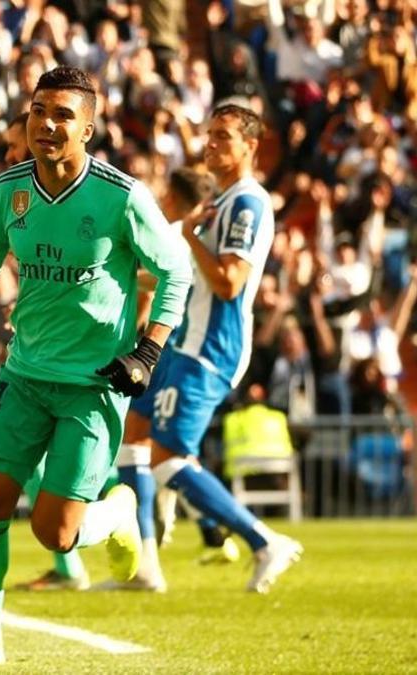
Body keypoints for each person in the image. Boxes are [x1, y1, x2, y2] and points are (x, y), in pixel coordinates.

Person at [0, 66, 192, 669]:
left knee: (56, 534)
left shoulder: (121, 196)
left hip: (93, 387)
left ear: (89, 128)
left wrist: (148, 350)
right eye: (39, 110)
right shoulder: (5, 192)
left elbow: (177, 271)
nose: (47, 123)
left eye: (63, 114)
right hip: (23, 374)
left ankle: (119, 513)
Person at [114, 103, 303, 594]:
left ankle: (263, 540)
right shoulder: (219, 201)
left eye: (223, 136)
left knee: (168, 457)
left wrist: (193, 235)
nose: (211, 143)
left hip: (211, 348)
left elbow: (227, 281)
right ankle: (147, 567)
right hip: (181, 342)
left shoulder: (248, 203)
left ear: (249, 148)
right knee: (133, 438)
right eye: (209, 134)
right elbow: (181, 273)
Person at [20, 166, 220, 592]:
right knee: (148, 452)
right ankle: (176, 532)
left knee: (151, 455)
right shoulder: (187, 231)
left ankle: (137, 529)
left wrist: (138, 344)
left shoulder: (171, 230)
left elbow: (159, 284)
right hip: (156, 350)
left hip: (155, 353)